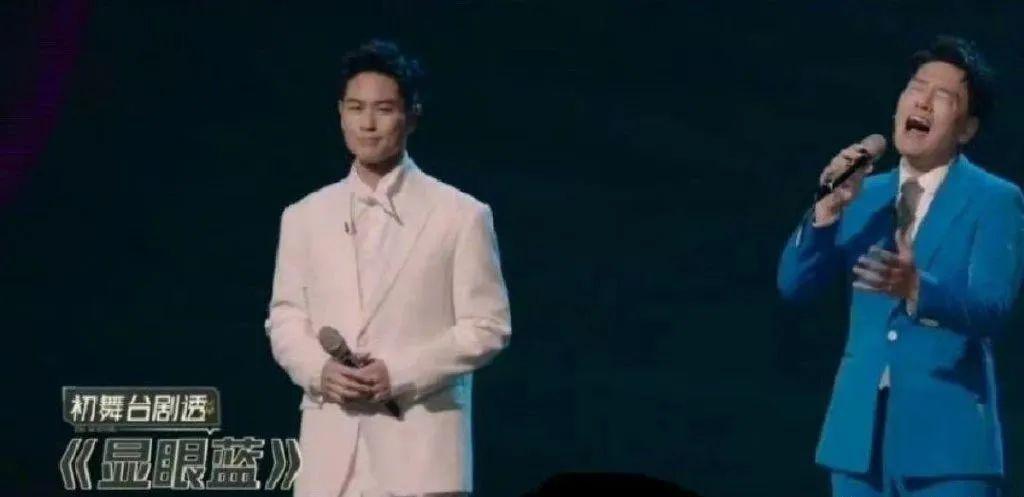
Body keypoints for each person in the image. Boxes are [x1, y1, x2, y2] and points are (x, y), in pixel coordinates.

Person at [778, 36, 1024, 497]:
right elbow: (794, 285)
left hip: (949, 449)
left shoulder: (996, 200)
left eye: (943, 96)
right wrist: (826, 212)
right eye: (916, 88)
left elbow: (993, 308)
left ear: (967, 129)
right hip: (857, 444)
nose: (923, 102)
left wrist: (918, 288)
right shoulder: (862, 195)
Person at [265, 39, 511, 497]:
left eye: (383, 109)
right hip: (329, 460)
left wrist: (399, 372)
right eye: (355, 108)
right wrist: (318, 370)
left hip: (423, 456)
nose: (368, 124)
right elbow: (285, 318)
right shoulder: (304, 216)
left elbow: (487, 326)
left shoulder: (460, 215)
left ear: (411, 116)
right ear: (340, 113)